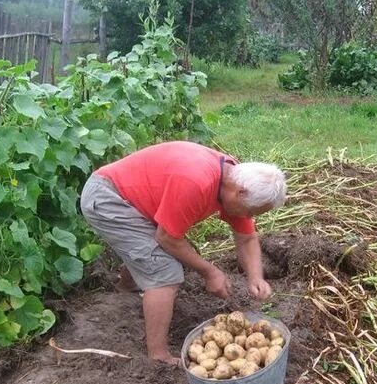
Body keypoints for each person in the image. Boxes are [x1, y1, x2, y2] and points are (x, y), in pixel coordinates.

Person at [80, 141, 287, 365]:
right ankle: (157, 355)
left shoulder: (234, 179)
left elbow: (246, 237)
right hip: (108, 198)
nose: (248, 216)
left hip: (135, 200)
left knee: (156, 253)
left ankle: (125, 288)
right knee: (165, 270)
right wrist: (210, 272)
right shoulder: (196, 182)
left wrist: (255, 277)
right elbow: (166, 238)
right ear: (240, 193)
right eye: (250, 211)